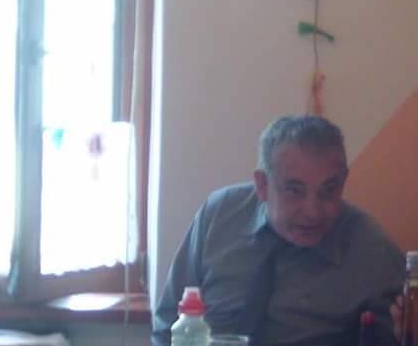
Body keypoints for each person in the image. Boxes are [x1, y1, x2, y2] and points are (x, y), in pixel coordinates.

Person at [152, 115, 405, 346]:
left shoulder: (371, 251)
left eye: (329, 190)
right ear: (262, 185)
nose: (313, 211)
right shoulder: (219, 215)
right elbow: (168, 323)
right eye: (294, 190)